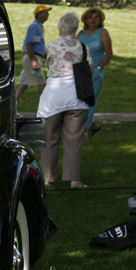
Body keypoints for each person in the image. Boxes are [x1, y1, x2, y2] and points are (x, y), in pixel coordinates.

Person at [37, 12, 88, 190]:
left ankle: (47, 177)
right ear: (75, 28)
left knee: (49, 137)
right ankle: (74, 180)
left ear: (60, 28)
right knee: (74, 139)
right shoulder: (83, 47)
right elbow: (90, 71)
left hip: (53, 95)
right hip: (77, 95)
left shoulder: (50, 46)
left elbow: (45, 63)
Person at [78, 7, 113, 135]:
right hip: (81, 71)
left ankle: (83, 128)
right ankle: (93, 125)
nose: (93, 20)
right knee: (79, 101)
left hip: (95, 72)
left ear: (100, 19)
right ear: (85, 19)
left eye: (96, 18)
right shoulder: (81, 33)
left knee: (90, 101)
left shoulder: (103, 33)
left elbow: (108, 54)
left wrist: (99, 68)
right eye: (90, 18)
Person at [16, 5, 50, 104]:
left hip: (34, 57)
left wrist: (46, 57)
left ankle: (12, 105)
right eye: (45, 12)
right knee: (42, 83)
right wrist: (33, 60)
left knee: (23, 85)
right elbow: (29, 43)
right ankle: (46, 106)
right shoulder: (35, 26)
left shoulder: (39, 26)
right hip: (33, 57)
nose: (48, 14)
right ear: (39, 14)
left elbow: (38, 44)